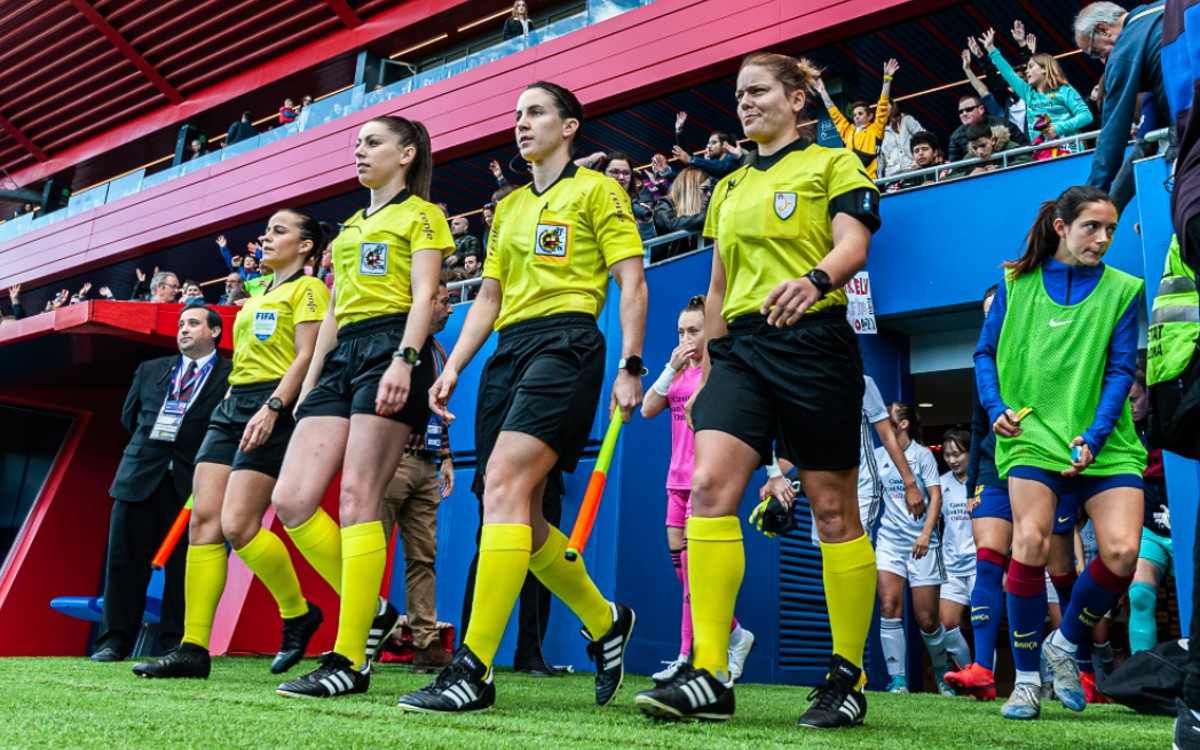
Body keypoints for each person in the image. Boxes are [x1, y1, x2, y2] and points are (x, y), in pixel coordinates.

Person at [634, 51, 881, 728]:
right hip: (741, 350)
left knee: (833, 512)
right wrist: (710, 365)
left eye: (758, 91)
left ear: (798, 99)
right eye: (739, 94)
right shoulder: (728, 187)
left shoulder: (835, 164)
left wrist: (816, 282)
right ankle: (710, 671)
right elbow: (716, 286)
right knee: (711, 489)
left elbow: (853, 245)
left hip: (816, 339)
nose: (744, 102)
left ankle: (846, 676)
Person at [396, 80, 647, 714]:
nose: (521, 123)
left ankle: (472, 671)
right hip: (508, 352)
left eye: (535, 112)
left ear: (569, 127)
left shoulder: (597, 190)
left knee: (506, 482)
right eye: (517, 114)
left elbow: (631, 282)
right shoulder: (506, 209)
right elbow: (488, 299)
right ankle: (606, 619)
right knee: (517, 513)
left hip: (569, 343)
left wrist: (631, 363)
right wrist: (452, 366)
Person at [270, 114, 451, 698]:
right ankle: (371, 611)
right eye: (357, 143)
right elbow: (331, 314)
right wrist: (308, 385)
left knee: (358, 499)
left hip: (391, 344)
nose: (359, 150)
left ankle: (350, 661)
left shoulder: (423, 215)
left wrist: (405, 358)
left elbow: (425, 294)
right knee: (292, 499)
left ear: (406, 154)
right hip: (342, 354)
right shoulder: (347, 228)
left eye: (372, 142)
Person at [130, 210, 331, 680]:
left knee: (239, 526)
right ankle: (192, 648)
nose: (266, 237)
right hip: (232, 405)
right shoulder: (256, 294)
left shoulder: (310, 289)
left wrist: (275, 407)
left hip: (272, 403)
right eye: (267, 230)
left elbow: (308, 355)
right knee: (203, 520)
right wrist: (226, 401)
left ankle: (298, 613)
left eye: (279, 231)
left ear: (306, 246)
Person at [974, 185, 1144, 721]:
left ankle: (1063, 645)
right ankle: (1025, 681)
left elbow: (1120, 370)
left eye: (1111, 229)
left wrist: (1093, 437)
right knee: (1029, 540)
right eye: (1092, 226)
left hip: (1103, 439)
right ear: (1061, 227)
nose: (1103, 238)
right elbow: (984, 352)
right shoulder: (1015, 282)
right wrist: (996, 404)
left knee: (1120, 552)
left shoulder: (1122, 289)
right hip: (1031, 433)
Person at [945, 285, 1084, 703]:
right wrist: (971, 486)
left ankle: (1080, 665)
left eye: (999, 310)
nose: (995, 318)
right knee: (988, 560)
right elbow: (975, 423)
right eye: (988, 313)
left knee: (1059, 571)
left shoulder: (1045, 348)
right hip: (992, 466)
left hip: (1046, 464)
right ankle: (983, 671)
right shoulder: (983, 365)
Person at [90, 306, 233, 662]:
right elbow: (131, 417)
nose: (184, 329)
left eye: (193, 323)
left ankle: (175, 643)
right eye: (181, 324)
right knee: (124, 561)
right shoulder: (151, 370)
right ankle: (113, 642)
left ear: (215, 332)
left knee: (185, 565)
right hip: (140, 475)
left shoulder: (232, 374)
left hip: (193, 481)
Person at [641, 295, 755, 686]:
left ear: (711, 331)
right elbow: (646, 408)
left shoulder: (719, 373)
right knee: (686, 576)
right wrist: (670, 367)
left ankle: (686, 655)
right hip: (675, 482)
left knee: (693, 577)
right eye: (680, 331)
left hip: (704, 486)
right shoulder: (678, 372)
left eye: (693, 330)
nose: (686, 338)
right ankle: (736, 635)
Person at [379, 279, 455, 675]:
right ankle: (358, 642)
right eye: (444, 301)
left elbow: (439, 410)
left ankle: (426, 645)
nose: (450, 308)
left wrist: (445, 456)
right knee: (369, 554)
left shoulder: (440, 353)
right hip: (389, 462)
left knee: (423, 558)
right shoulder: (394, 348)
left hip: (426, 462)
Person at [873, 402, 951, 696]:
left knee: (928, 620)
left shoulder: (922, 456)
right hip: (890, 542)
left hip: (923, 543)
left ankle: (942, 672)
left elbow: (936, 499)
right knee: (889, 607)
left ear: (903, 424)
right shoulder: (878, 457)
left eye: (888, 417)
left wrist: (927, 534)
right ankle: (898, 680)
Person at [1074, 1, 1170, 192]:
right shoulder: (1166, 8)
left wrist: (1091, 196)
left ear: (1103, 30)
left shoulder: (1123, 52)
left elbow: (1112, 134)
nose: (1104, 61)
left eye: (1097, 53)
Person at [982, 28, 1093, 154]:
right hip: (1042, 154)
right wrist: (991, 48)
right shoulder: (1029, 94)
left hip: (1070, 152)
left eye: (1030, 67)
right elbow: (1008, 73)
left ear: (1044, 69)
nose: (1027, 71)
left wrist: (1058, 128)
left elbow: (1086, 116)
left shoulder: (1064, 90)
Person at [1127, 361, 1171, 653]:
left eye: (1134, 399)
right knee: (1140, 595)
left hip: (1185, 525)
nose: (1129, 407)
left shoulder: (1167, 422)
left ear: (1147, 393)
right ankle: (1138, 683)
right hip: (1149, 528)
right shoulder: (1123, 432)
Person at [811, 59, 897, 178]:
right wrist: (823, 92)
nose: (856, 117)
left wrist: (887, 80)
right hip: (854, 180)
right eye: (855, 114)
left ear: (870, 116)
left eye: (860, 113)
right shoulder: (848, 131)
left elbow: (882, 106)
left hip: (872, 179)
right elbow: (834, 113)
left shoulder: (876, 129)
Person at [937, 428, 975, 671]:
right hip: (951, 565)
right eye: (947, 454)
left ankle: (987, 680)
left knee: (984, 626)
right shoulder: (941, 484)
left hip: (979, 565)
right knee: (947, 626)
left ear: (970, 452)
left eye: (958, 454)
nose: (952, 460)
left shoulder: (983, 481)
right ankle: (970, 674)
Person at [948, 93, 1030, 163]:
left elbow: (1025, 152)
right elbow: (955, 169)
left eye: (969, 109)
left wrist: (999, 167)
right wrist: (969, 174)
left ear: (981, 109)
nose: (964, 114)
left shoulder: (1004, 124)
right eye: (960, 112)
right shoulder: (955, 137)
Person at [650, 168, 709, 260]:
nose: (709, 194)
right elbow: (668, 224)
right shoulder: (665, 203)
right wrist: (707, 218)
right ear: (690, 189)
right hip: (667, 268)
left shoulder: (700, 212)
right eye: (705, 189)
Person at [950, 121, 1034, 178]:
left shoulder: (1009, 147)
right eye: (974, 148)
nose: (979, 152)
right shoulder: (970, 157)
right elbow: (949, 178)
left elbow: (1028, 161)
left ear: (993, 140)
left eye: (983, 145)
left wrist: (999, 168)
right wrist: (968, 175)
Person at [879, 101, 924, 178]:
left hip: (911, 170)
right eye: (880, 107)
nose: (883, 108)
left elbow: (923, 137)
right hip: (891, 177)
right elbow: (882, 159)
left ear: (893, 105)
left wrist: (917, 160)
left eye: (885, 105)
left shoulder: (906, 120)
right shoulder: (881, 130)